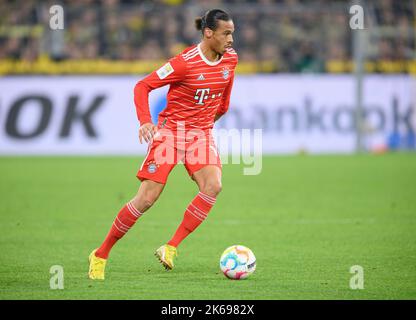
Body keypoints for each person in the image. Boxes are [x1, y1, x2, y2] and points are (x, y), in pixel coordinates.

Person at [88, 8, 237, 280]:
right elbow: (142, 86)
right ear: (208, 33)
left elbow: (224, 100)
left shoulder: (231, 60)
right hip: (171, 134)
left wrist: (208, 121)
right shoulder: (184, 62)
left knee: (213, 185)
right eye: (226, 33)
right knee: (147, 198)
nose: (231, 39)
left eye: (232, 33)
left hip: (200, 134)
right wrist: (146, 121)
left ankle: (170, 247)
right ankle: (101, 254)